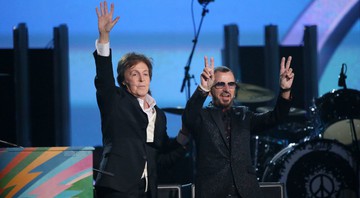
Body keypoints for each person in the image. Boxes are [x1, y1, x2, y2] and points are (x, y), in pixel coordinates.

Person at [93, 1, 188, 197]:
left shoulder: (158, 114)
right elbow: (104, 76)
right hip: (117, 188)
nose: (142, 78)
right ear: (123, 80)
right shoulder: (115, 100)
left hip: (146, 190)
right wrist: (104, 36)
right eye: (134, 73)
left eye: (145, 73)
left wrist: (183, 137)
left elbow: (159, 154)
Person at [182, 56, 294, 198]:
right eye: (220, 84)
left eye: (231, 84)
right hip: (212, 191)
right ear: (211, 90)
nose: (226, 89)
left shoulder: (244, 115)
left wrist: (285, 90)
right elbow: (188, 118)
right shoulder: (202, 116)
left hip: (245, 191)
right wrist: (203, 88)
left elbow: (275, 117)